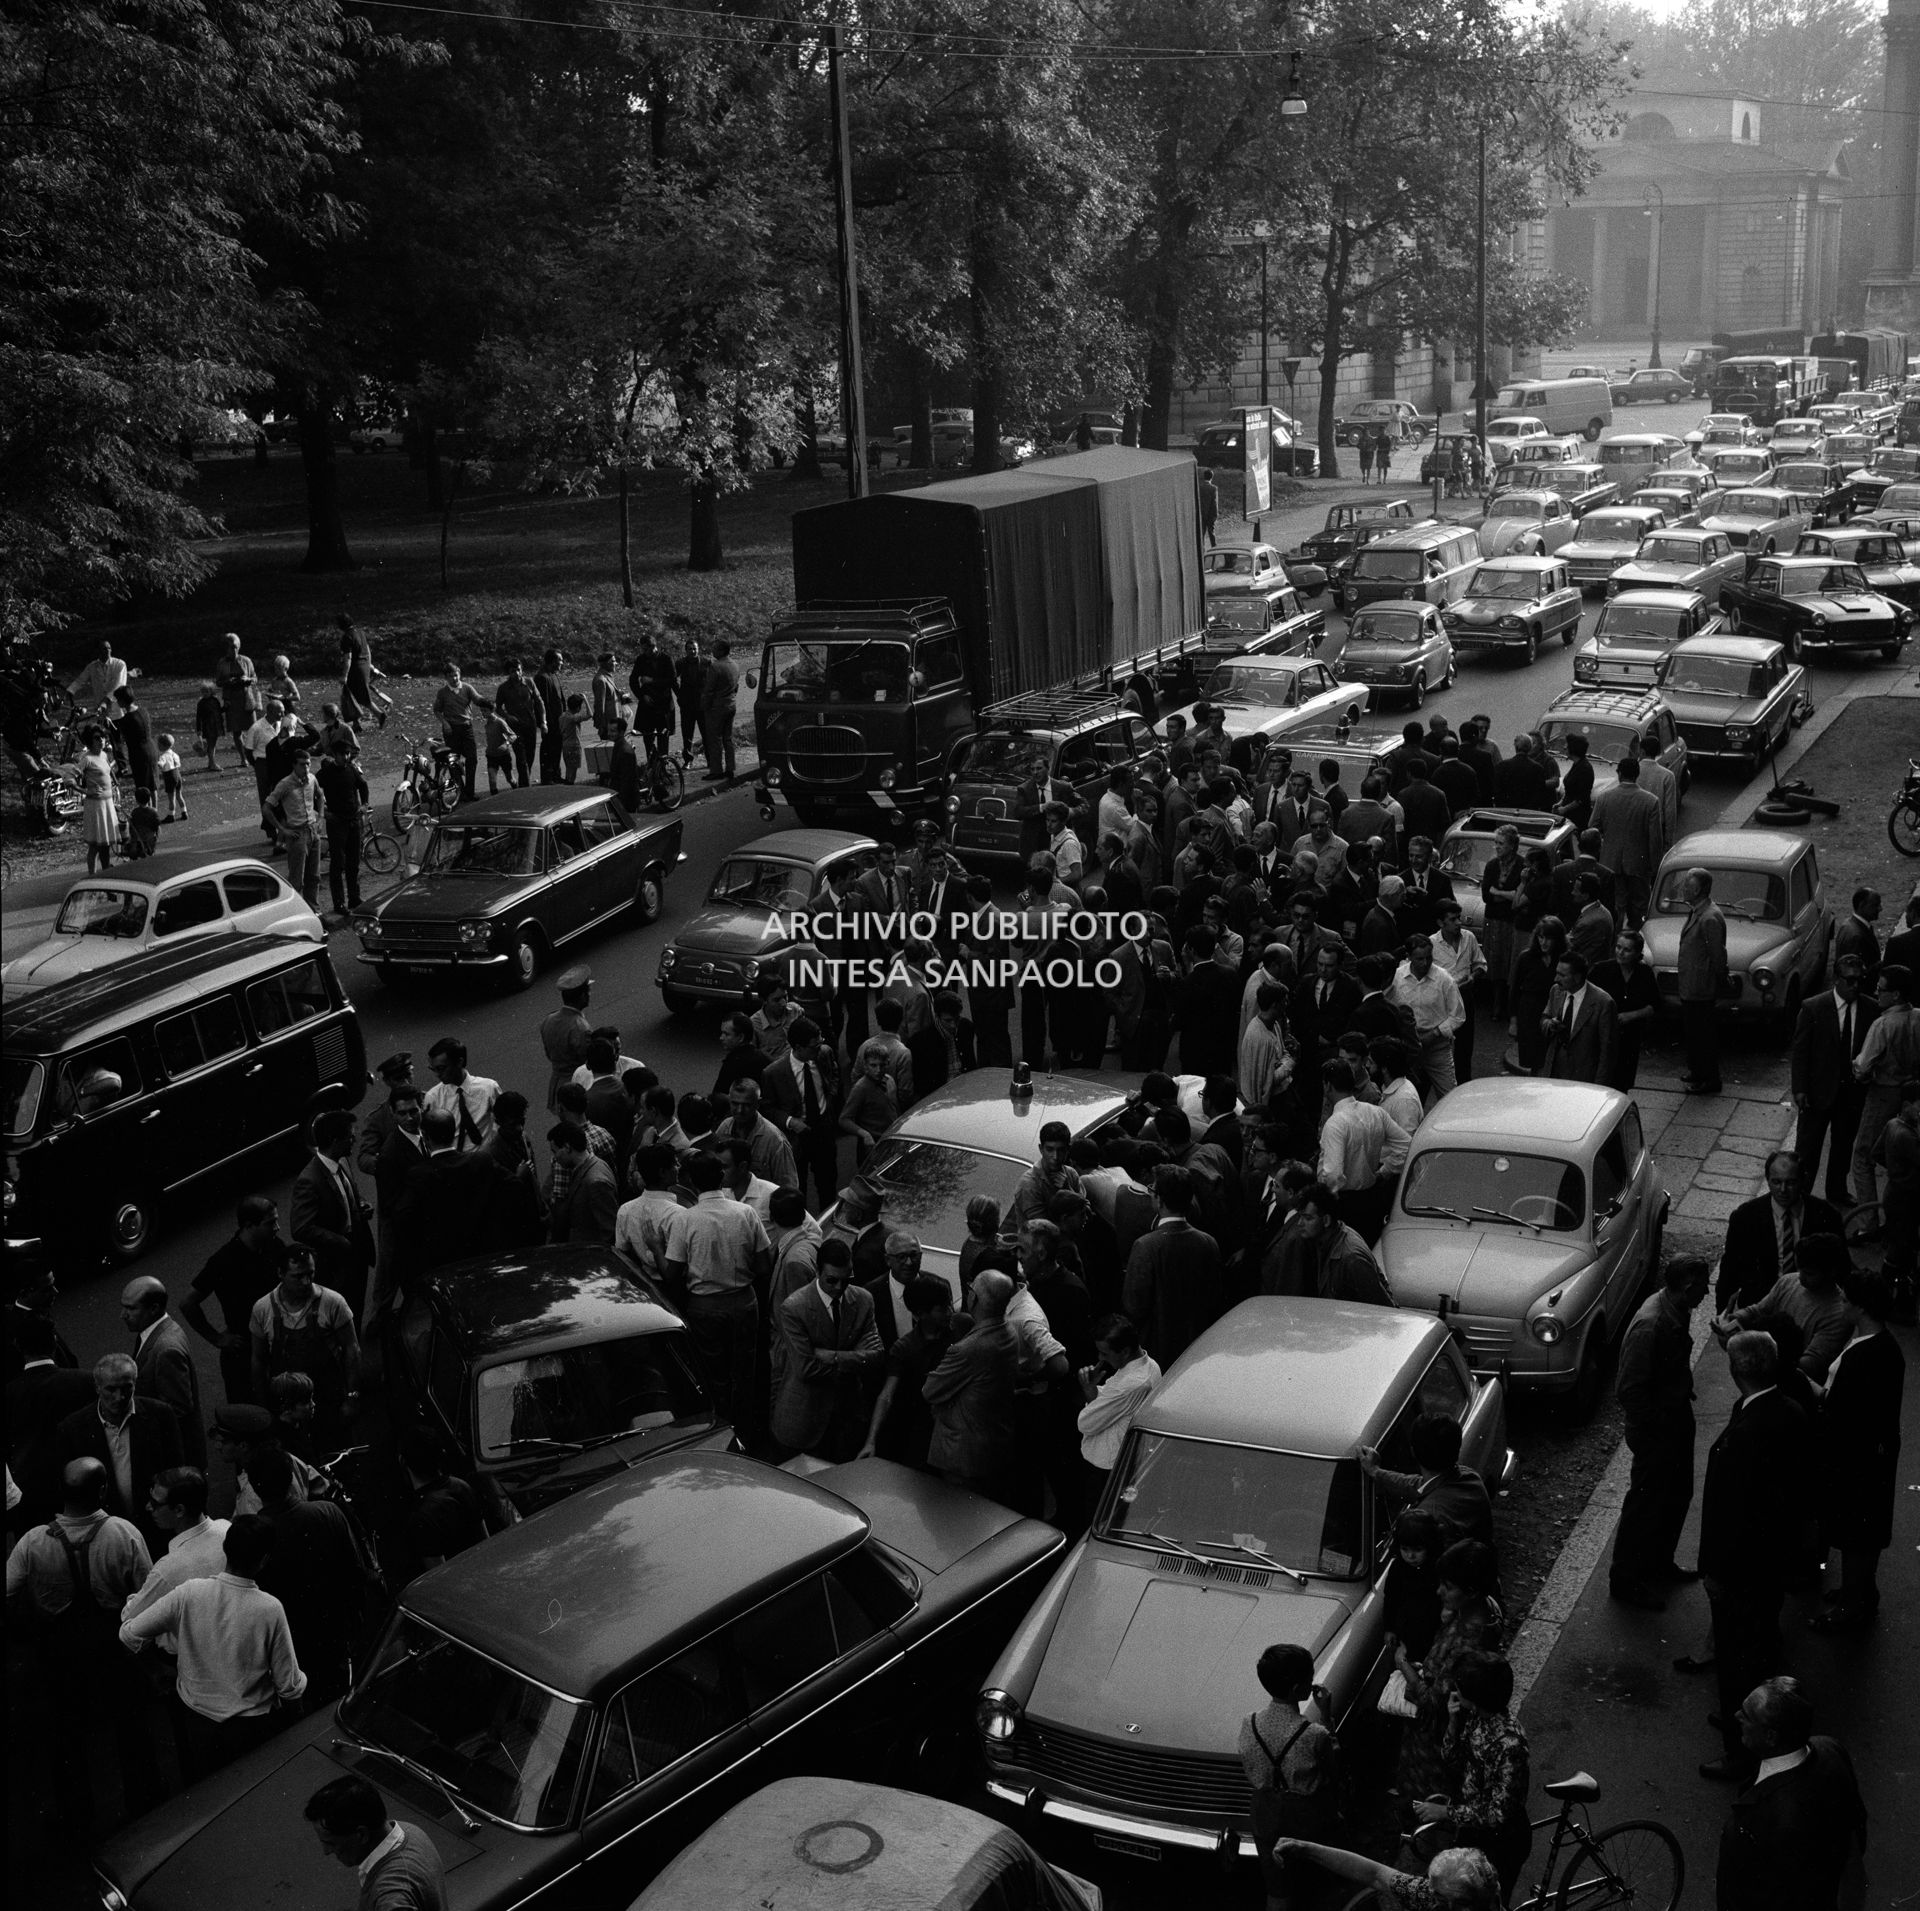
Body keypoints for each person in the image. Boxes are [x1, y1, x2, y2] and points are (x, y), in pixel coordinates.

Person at [7, 1457, 156, 1829]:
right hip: (114, 1649)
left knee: (67, 1736)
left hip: (59, 1653)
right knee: (130, 1729)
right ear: (103, 1490)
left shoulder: (32, 1542)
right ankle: (146, 1806)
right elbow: (148, 1592)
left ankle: (77, 1820)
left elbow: (7, 1592)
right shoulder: (124, 1533)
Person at [1698, 1332, 1813, 1782]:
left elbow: (1729, 1513)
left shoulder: (1746, 1431)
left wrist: (1714, 1571)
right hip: (1773, 1560)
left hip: (1741, 1567)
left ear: (1736, 1371)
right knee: (1762, 1644)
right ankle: (1748, 1718)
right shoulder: (1789, 1411)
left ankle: (1740, 1749)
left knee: (1736, 1655)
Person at [119, 1513, 306, 1779]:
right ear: (264, 1559)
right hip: (251, 1726)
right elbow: (288, 1684)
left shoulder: (189, 1592)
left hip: (197, 1720)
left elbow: (129, 1634)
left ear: (226, 1549)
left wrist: (156, 1668)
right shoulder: (269, 1608)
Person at [1608, 1255, 1711, 1610]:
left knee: (1676, 1494)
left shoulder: (1675, 1308)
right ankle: (1626, 1579)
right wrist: (1658, 1427)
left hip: (1673, 1416)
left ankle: (1658, 1564)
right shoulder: (1651, 1324)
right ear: (1687, 1286)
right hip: (1657, 1428)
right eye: (1703, 1284)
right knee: (1646, 1505)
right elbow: (1629, 1389)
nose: (1707, 1291)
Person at [1807, 1264, 1905, 1634]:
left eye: (1847, 1299)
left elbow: (1839, 1410)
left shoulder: (1866, 1354)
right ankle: (1859, 1591)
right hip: (1870, 1456)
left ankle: (1854, 1604)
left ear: (1861, 1307)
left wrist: (1810, 1389)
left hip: (1857, 1460)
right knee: (1862, 1532)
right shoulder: (1878, 1345)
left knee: (1855, 1534)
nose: (1842, 1304)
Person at [1714, 1677, 1867, 1911]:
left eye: (1747, 1715)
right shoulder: (1830, 1749)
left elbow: (1738, 1897)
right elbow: (1855, 1828)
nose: (1736, 1716)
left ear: (1771, 1737)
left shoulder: (1756, 1821)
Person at [665, 1150, 770, 1438]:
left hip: (705, 1307)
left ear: (691, 1182)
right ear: (721, 1176)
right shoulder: (745, 1213)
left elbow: (672, 1271)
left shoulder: (685, 1220)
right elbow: (763, 1264)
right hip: (744, 1302)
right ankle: (747, 1429)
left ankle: (722, 1430)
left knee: (714, 1374)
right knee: (744, 1370)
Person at [1393, 1539, 1503, 1803]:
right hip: (1452, 1727)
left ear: (1472, 1591)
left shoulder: (1467, 1638)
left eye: (1449, 1587)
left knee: (1430, 1802)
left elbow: (1432, 1701)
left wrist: (1403, 1666)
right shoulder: (1487, 1609)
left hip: (1436, 1738)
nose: (1439, 1591)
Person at [1240, 1641, 1345, 1911]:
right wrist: (1325, 1713)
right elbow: (1335, 1770)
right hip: (1307, 1816)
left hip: (1264, 1812)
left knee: (1278, 1885)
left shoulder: (1249, 1722)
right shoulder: (1314, 1734)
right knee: (1316, 1882)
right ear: (1298, 1689)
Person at [1420, 1651, 1531, 1896]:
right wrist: (1453, 1720)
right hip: (1475, 1831)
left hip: (1501, 1842)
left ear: (1475, 1698)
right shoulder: (1476, 1718)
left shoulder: (1510, 1745)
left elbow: (1498, 1813)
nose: (1454, 1689)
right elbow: (1452, 1760)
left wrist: (1447, 1813)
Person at [57, 1353, 185, 1550]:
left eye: (126, 1388)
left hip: (155, 1530)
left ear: (135, 1384)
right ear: (97, 1388)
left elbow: (176, 1472)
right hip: (103, 1536)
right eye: (111, 1389)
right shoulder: (74, 1428)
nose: (119, 1397)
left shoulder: (161, 1416)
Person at [770, 1239, 883, 1461]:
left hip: (846, 1417)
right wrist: (855, 1362)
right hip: (804, 1418)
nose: (839, 1288)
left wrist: (831, 1356)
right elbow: (806, 1369)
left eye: (846, 1280)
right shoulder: (795, 1307)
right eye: (832, 1280)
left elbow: (877, 1355)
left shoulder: (863, 1300)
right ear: (818, 1272)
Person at [922, 1270, 1021, 1500]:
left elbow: (930, 1390)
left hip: (962, 1455)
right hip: (992, 1444)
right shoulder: (1009, 1332)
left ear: (973, 1298)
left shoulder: (968, 1348)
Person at [249, 1244, 360, 1446]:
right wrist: (263, 1406)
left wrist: (352, 1397)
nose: (306, 1282)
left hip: (328, 1398)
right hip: (287, 1407)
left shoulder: (333, 1302)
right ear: (280, 1273)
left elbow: (352, 1349)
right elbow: (258, 1359)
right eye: (298, 1276)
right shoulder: (263, 1309)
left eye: (310, 1274)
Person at [1790, 954, 1876, 1205]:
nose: (1855, 986)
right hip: (1818, 1091)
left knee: (1843, 1145)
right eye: (1850, 980)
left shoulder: (1870, 1009)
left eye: (1860, 980)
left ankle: (1836, 1191)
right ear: (1837, 980)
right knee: (1808, 1147)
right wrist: (1800, 1089)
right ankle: (1802, 1193)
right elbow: (1801, 1051)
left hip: (1851, 1093)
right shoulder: (1814, 1007)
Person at [182, 1195, 283, 1404]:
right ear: (248, 1225)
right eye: (270, 1223)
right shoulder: (223, 1261)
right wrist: (217, 1338)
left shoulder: (274, 1246)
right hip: (243, 1351)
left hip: (277, 1343)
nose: (277, 1227)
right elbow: (188, 1303)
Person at [1716, 1151, 1842, 1314]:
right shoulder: (1745, 1217)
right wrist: (1722, 1314)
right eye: (1776, 1182)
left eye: (1790, 1183)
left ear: (1803, 1180)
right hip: (1761, 1308)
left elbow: (1841, 1268)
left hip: (1811, 1307)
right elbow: (1729, 1271)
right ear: (1767, 1180)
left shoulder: (1827, 1215)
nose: (1783, 1190)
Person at [1122, 1165, 1224, 1366]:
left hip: (1159, 1352)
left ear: (1159, 1199)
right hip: (1199, 1349)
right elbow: (1215, 1299)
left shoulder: (1145, 1246)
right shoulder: (1208, 1242)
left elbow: (1133, 1306)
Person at [306, 1772, 450, 1910]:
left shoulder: (389, 1897)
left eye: (331, 1843)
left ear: (361, 1835)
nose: (326, 1851)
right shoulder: (409, 1830)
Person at [1362, 1412, 1495, 1550]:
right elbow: (1417, 1485)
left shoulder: (1428, 1518)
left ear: (1412, 1452)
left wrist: (1375, 1472)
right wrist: (1376, 1472)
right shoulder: (1469, 1477)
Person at [291, 1109, 375, 1324]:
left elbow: (348, 1193)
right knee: (341, 1314)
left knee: (356, 1306)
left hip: (357, 1251)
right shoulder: (309, 1180)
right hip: (336, 1262)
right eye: (350, 1136)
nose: (354, 1139)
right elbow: (301, 1228)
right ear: (334, 1140)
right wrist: (340, 1242)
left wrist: (360, 1205)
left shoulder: (343, 1162)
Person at [1850, 964, 1920, 1207]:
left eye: (1881, 989)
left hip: (1883, 1094)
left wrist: (1856, 1065)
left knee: (1863, 1156)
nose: (1876, 992)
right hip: (1911, 1095)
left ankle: (1867, 1219)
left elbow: (1862, 1068)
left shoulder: (1882, 1025)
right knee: (1901, 1152)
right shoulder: (1918, 1017)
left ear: (1896, 994)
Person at [1272, 1842, 1503, 1911]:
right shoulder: (1429, 1896)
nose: (1440, 1907)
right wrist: (1306, 1849)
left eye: (1461, 1903)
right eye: (1438, 1897)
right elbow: (1374, 1873)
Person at [1590, 755, 1664, 928]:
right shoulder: (1651, 801)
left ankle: (1615, 941)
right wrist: (1654, 866)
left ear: (1619, 773)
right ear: (1637, 774)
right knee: (1639, 907)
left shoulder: (1604, 797)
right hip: (1639, 863)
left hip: (1610, 862)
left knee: (1616, 905)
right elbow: (1655, 839)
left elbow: (1592, 826)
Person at [1390, 934, 1466, 1099]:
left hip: (1437, 1048)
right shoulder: (1397, 978)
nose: (1425, 963)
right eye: (1419, 959)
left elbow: (1458, 1015)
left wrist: (1435, 1033)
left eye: (1428, 958)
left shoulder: (1444, 979)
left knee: (1449, 1096)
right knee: (1407, 1097)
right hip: (1408, 1049)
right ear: (1409, 957)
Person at [1588, 928, 1661, 1093]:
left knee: (1622, 1082)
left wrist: (1631, 1015)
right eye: (1618, 947)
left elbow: (1655, 1005)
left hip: (1630, 1036)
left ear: (1637, 953)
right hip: (1603, 1034)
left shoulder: (1644, 973)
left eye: (1627, 950)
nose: (1620, 953)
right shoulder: (1601, 970)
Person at [423, 1036, 498, 1149]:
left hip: (485, 1159)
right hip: (454, 1162)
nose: (437, 1075)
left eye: (441, 1068)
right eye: (433, 1069)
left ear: (459, 1062)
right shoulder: (433, 1097)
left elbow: (503, 1122)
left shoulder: (488, 1088)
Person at [430, 663, 489, 802]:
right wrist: (444, 723)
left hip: (466, 728)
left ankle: (470, 791)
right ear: (446, 678)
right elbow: (436, 710)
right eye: (450, 677)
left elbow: (477, 699)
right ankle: (460, 791)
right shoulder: (442, 692)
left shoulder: (467, 688)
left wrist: (488, 703)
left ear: (459, 674)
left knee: (472, 759)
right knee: (453, 762)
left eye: (456, 675)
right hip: (451, 730)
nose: (454, 679)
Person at [77, 725, 118, 872]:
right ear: (89, 741)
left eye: (102, 737)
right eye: (96, 738)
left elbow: (108, 769)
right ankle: (93, 876)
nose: (101, 741)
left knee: (105, 843)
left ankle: (105, 870)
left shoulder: (104, 755)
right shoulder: (86, 759)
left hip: (108, 803)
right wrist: (85, 791)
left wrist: (115, 783)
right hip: (96, 806)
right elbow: (70, 779)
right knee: (96, 845)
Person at [1198, 465, 1218, 546]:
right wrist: (1215, 515)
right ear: (1211, 477)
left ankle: (1202, 550)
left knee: (1201, 534)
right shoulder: (1213, 488)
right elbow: (1214, 503)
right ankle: (1214, 548)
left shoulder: (1199, 487)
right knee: (1211, 533)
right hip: (1210, 515)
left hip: (1201, 514)